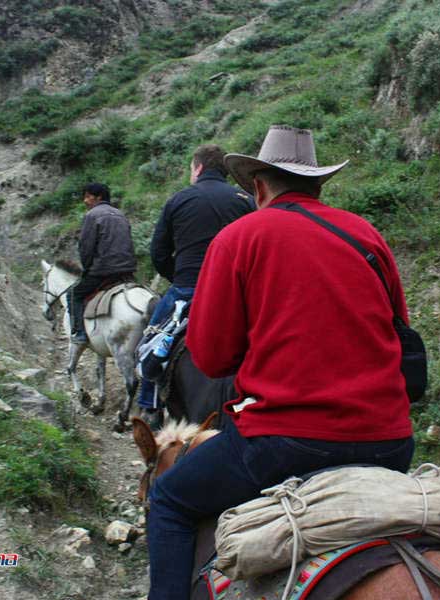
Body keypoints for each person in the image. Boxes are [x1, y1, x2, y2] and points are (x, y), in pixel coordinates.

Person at [145, 125, 415, 599]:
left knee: (168, 501)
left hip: (285, 443)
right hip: (390, 442)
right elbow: (400, 333)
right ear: (318, 185)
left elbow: (210, 355)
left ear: (259, 186)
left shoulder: (240, 236)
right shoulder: (367, 235)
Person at [137, 144, 254, 426]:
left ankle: (150, 407)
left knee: (149, 344)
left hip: (188, 288)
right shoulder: (246, 199)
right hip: (237, 292)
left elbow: (158, 252)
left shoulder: (179, 200)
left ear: (198, 168)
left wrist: (176, 277)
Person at [69, 182, 137, 344]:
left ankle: (79, 334)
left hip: (103, 271)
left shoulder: (92, 215)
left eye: (87, 196)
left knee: (74, 294)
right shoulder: (120, 214)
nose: (85, 200)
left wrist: (87, 269)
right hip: (127, 270)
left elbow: (86, 248)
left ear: (98, 197)